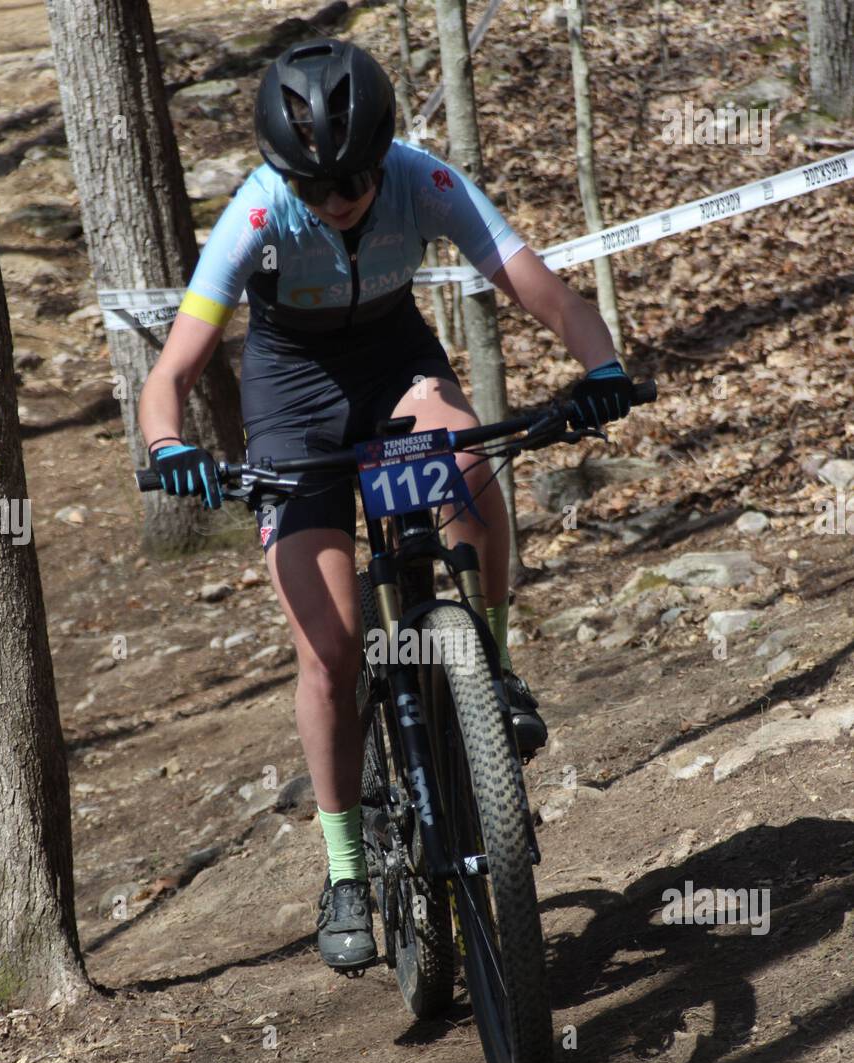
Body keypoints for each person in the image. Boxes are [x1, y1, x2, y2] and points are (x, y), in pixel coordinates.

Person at [138, 38, 636, 973]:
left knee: (467, 467)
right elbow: (171, 374)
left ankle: (492, 668)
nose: (337, 200)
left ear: (383, 155)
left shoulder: (424, 180)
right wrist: (170, 446)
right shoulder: (256, 211)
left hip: (396, 363)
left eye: (354, 180)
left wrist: (601, 368)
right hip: (291, 395)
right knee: (330, 652)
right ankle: (344, 871)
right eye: (315, 185)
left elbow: (548, 294)